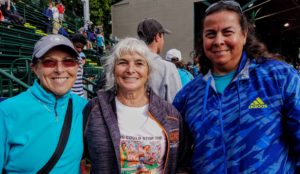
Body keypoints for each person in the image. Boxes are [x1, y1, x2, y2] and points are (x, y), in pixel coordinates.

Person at [173, 1, 300, 173]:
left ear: (244, 35)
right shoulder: (188, 95)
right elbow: (179, 157)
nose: (218, 41)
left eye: (227, 32)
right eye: (210, 34)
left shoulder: (278, 77)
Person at [84, 37, 188, 173]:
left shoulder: (170, 115)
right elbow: (80, 157)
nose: (130, 70)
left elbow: (182, 162)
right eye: (123, 63)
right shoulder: (94, 109)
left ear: (148, 71)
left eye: (139, 63)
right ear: (113, 70)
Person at [0, 34, 88, 173]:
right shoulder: (6, 112)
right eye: (49, 62)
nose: (60, 69)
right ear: (35, 68)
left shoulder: (84, 107)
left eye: (68, 61)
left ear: (77, 66)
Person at [137, 18, 181, 103]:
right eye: (163, 37)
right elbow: (176, 105)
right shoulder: (167, 68)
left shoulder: (126, 66)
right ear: (157, 37)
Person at [71, 33, 88, 97]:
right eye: (77, 47)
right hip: (69, 97)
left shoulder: (80, 59)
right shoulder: (65, 59)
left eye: (82, 48)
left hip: (80, 96)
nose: (80, 50)